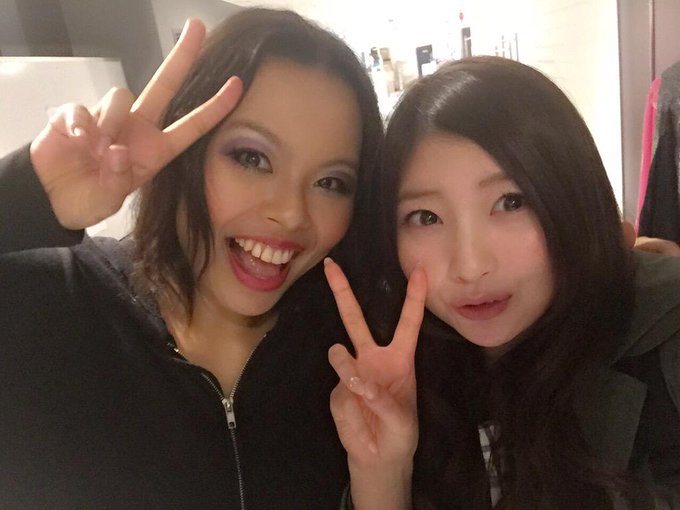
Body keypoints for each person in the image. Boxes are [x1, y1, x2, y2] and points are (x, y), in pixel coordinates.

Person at [0, 8, 384, 508]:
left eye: (330, 182)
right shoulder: (49, 304)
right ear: (185, 151)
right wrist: (25, 194)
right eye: (252, 158)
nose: (292, 214)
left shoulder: (351, 357)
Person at [325, 56, 680, 509]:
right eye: (426, 217)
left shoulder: (665, 342)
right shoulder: (405, 368)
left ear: (572, 195)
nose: (470, 266)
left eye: (511, 202)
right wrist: (382, 472)